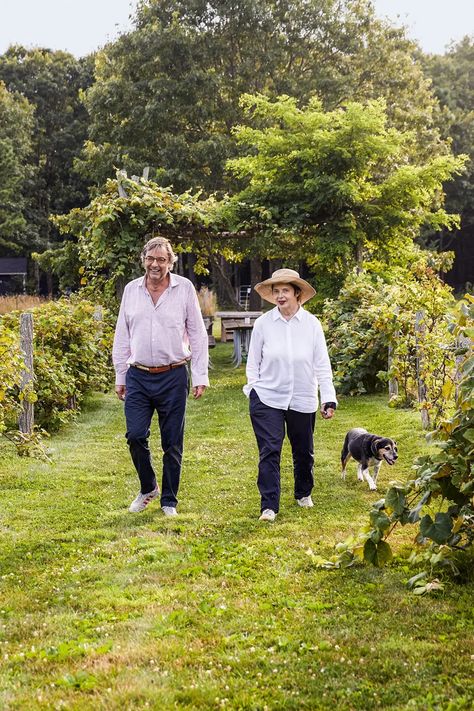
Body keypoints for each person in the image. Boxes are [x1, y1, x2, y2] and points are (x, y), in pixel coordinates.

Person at [112, 235, 209, 516]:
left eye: (162, 259)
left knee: (172, 442)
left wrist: (200, 375)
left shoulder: (184, 289)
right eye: (150, 259)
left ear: (171, 262)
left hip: (173, 375)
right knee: (135, 435)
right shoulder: (131, 290)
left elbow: (198, 334)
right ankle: (148, 487)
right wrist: (120, 376)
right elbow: (122, 335)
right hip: (138, 376)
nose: (155, 264)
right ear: (143, 260)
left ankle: (169, 500)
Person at [244, 268, 337, 521]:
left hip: (303, 397)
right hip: (267, 397)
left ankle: (303, 493)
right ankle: (269, 506)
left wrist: (328, 397)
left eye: (285, 290)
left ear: (297, 294)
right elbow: (253, 362)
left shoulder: (312, 324)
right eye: (276, 291)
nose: (280, 295)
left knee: (303, 451)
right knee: (270, 450)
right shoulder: (263, 324)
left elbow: (322, 364)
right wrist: (253, 388)